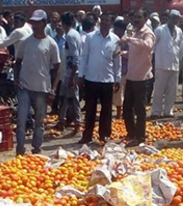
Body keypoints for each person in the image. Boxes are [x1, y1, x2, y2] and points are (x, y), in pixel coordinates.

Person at [14, 10, 60, 156]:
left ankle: (36, 149)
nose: (34, 25)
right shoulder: (25, 42)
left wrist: (53, 89)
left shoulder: (51, 44)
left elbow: (57, 69)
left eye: (38, 22)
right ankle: (20, 150)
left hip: (42, 88)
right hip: (25, 87)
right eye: (33, 22)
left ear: (44, 23)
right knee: (21, 120)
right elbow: (18, 62)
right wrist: (16, 79)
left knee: (39, 122)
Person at [78, 13, 122, 145]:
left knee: (106, 110)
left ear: (111, 23)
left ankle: (104, 135)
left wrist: (117, 78)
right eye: (102, 20)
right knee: (90, 109)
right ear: (99, 22)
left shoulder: (115, 40)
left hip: (107, 79)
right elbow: (84, 56)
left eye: (107, 20)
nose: (104, 22)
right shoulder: (91, 37)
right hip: (91, 78)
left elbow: (117, 61)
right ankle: (87, 135)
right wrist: (81, 75)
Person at [120, 8, 155, 147]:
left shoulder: (148, 33)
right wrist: (123, 52)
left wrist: (130, 39)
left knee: (140, 109)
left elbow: (147, 46)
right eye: (134, 17)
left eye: (139, 17)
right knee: (127, 108)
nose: (136, 20)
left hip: (142, 77)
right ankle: (131, 133)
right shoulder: (131, 28)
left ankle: (140, 136)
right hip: (131, 75)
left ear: (145, 18)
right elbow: (128, 43)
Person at [152, 10, 183, 118]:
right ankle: (156, 111)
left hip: (174, 64)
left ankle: (168, 111)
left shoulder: (179, 31)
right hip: (161, 65)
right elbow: (153, 46)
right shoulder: (160, 30)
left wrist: (179, 60)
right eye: (173, 17)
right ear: (169, 17)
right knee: (159, 90)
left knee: (172, 90)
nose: (175, 20)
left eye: (177, 18)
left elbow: (180, 47)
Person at [55, 11, 83, 134]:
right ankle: (62, 120)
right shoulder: (74, 33)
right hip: (70, 71)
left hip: (71, 72)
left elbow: (75, 56)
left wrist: (72, 76)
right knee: (66, 97)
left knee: (73, 98)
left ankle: (77, 122)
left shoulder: (71, 35)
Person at [112, 19, 129, 119]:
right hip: (115, 70)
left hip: (126, 69)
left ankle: (125, 112)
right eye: (115, 29)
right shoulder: (113, 39)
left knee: (126, 93)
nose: (117, 31)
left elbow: (133, 53)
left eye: (119, 29)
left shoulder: (127, 39)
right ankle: (118, 113)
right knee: (117, 93)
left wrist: (123, 53)